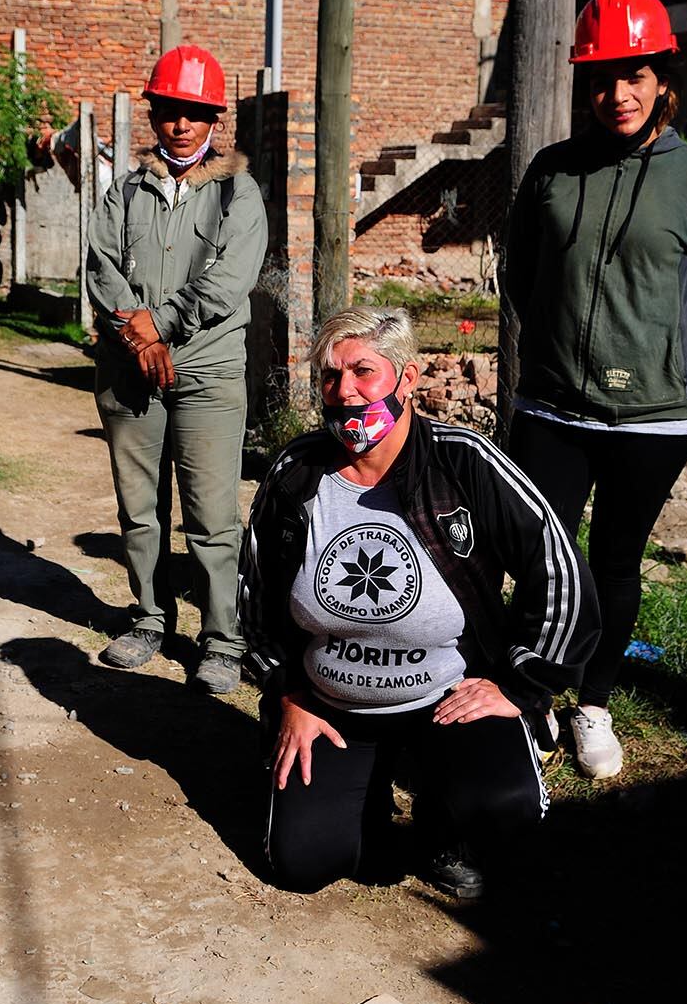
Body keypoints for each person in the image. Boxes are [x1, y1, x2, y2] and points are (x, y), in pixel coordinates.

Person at [242, 306, 597, 896]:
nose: (345, 391)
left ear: (407, 379)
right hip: (332, 706)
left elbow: (558, 569)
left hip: (447, 698)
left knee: (503, 811)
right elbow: (252, 598)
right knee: (306, 862)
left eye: (364, 371)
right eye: (330, 376)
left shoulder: (462, 462)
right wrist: (290, 695)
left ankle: (443, 824)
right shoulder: (297, 472)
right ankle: (364, 787)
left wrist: (521, 687)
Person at [499, 0, 687, 780]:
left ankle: (592, 702)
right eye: (601, 78)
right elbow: (521, 273)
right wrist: (562, 351)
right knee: (541, 556)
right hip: (554, 405)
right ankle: (533, 699)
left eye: (633, 74)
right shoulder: (553, 171)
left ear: (662, 75)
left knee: (615, 563)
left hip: (655, 415)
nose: (617, 94)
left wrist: (649, 353)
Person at [85, 45, 268, 694]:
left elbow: (229, 282)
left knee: (212, 514)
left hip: (208, 373)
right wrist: (135, 338)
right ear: (154, 113)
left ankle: (222, 639)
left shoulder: (237, 194)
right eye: (169, 111)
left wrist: (157, 325)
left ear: (213, 118)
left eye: (194, 112)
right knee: (140, 508)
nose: (181, 125)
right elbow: (99, 266)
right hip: (130, 371)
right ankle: (148, 616)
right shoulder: (126, 191)